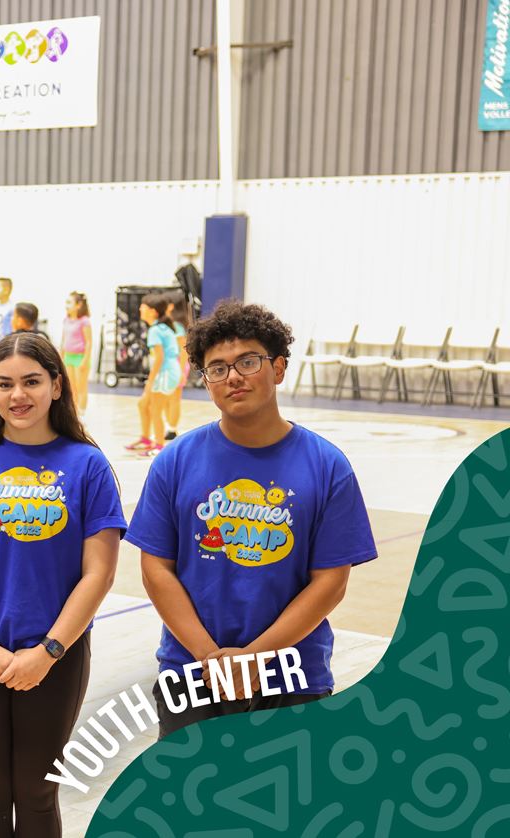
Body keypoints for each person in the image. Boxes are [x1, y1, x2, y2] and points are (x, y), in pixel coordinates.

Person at [128, 301, 377, 739]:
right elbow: (155, 569)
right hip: (193, 672)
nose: (233, 376)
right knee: (189, 808)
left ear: (278, 368)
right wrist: (210, 657)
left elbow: (330, 583)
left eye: (247, 361)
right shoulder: (175, 461)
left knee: (285, 808)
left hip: (293, 676)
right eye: (217, 368)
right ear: (206, 382)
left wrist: (255, 658)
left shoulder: (327, 466)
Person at [0, 331, 125, 838]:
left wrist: (49, 650)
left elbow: (99, 572)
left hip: (56, 653)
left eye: (32, 381)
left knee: (37, 792)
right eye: (5, 383)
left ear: (57, 384)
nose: (19, 395)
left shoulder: (87, 465)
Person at [128, 295, 181, 455]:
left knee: (155, 409)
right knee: (143, 404)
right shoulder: (162, 327)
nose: (140, 309)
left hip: (165, 372)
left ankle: (159, 446)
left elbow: (159, 358)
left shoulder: (155, 330)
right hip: (170, 370)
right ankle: (145, 439)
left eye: (143, 307)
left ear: (153, 311)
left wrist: (150, 382)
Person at [162, 291, 192, 440]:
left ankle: (172, 428)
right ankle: (169, 425)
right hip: (169, 366)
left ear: (171, 306)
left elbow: (183, 351)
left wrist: (180, 372)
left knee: (174, 398)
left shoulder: (178, 327)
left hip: (177, 366)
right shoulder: (170, 324)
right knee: (167, 397)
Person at [61, 292, 92, 414]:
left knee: (81, 388)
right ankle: (73, 413)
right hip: (68, 357)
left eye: (69, 303)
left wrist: (85, 360)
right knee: (71, 387)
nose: (66, 305)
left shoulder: (84, 321)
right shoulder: (66, 320)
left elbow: (89, 342)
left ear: (78, 305)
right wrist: (61, 356)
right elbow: (63, 339)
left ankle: (82, 413)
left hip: (80, 357)